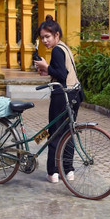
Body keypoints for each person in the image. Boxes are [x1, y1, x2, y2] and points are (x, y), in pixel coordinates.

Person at [33, 15, 83, 183]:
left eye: (48, 37)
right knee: (69, 132)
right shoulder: (65, 48)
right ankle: (68, 170)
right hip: (75, 94)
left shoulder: (56, 50)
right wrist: (47, 70)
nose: (45, 41)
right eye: (42, 38)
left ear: (56, 35)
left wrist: (47, 67)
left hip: (62, 95)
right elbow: (62, 71)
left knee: (54, 133)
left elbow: (61, 74)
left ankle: (53, 171)